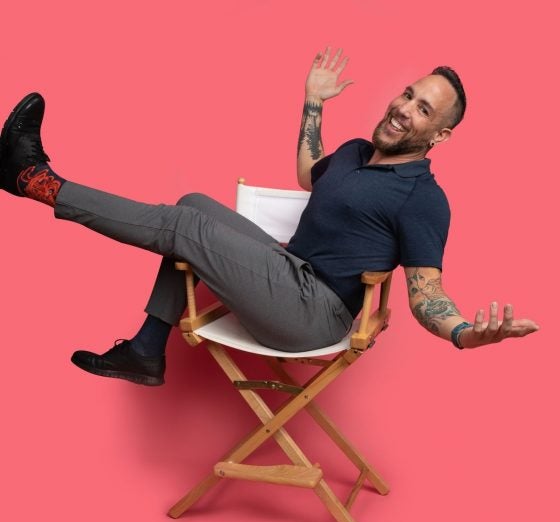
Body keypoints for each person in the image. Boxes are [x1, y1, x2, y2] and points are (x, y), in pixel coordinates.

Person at [0, 47, 539, 387]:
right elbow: (309, 176)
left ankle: (35, 181)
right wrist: (313, 102)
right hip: (287, 274)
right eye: (408, 93)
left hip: (315, 314)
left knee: (186, 229)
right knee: (193, 204)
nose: (403, 108)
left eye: (423, 109)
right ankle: (145, 352)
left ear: (439, 135)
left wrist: (464, 333)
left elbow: (427, 293)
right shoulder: (356, 151)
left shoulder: (423, 198)